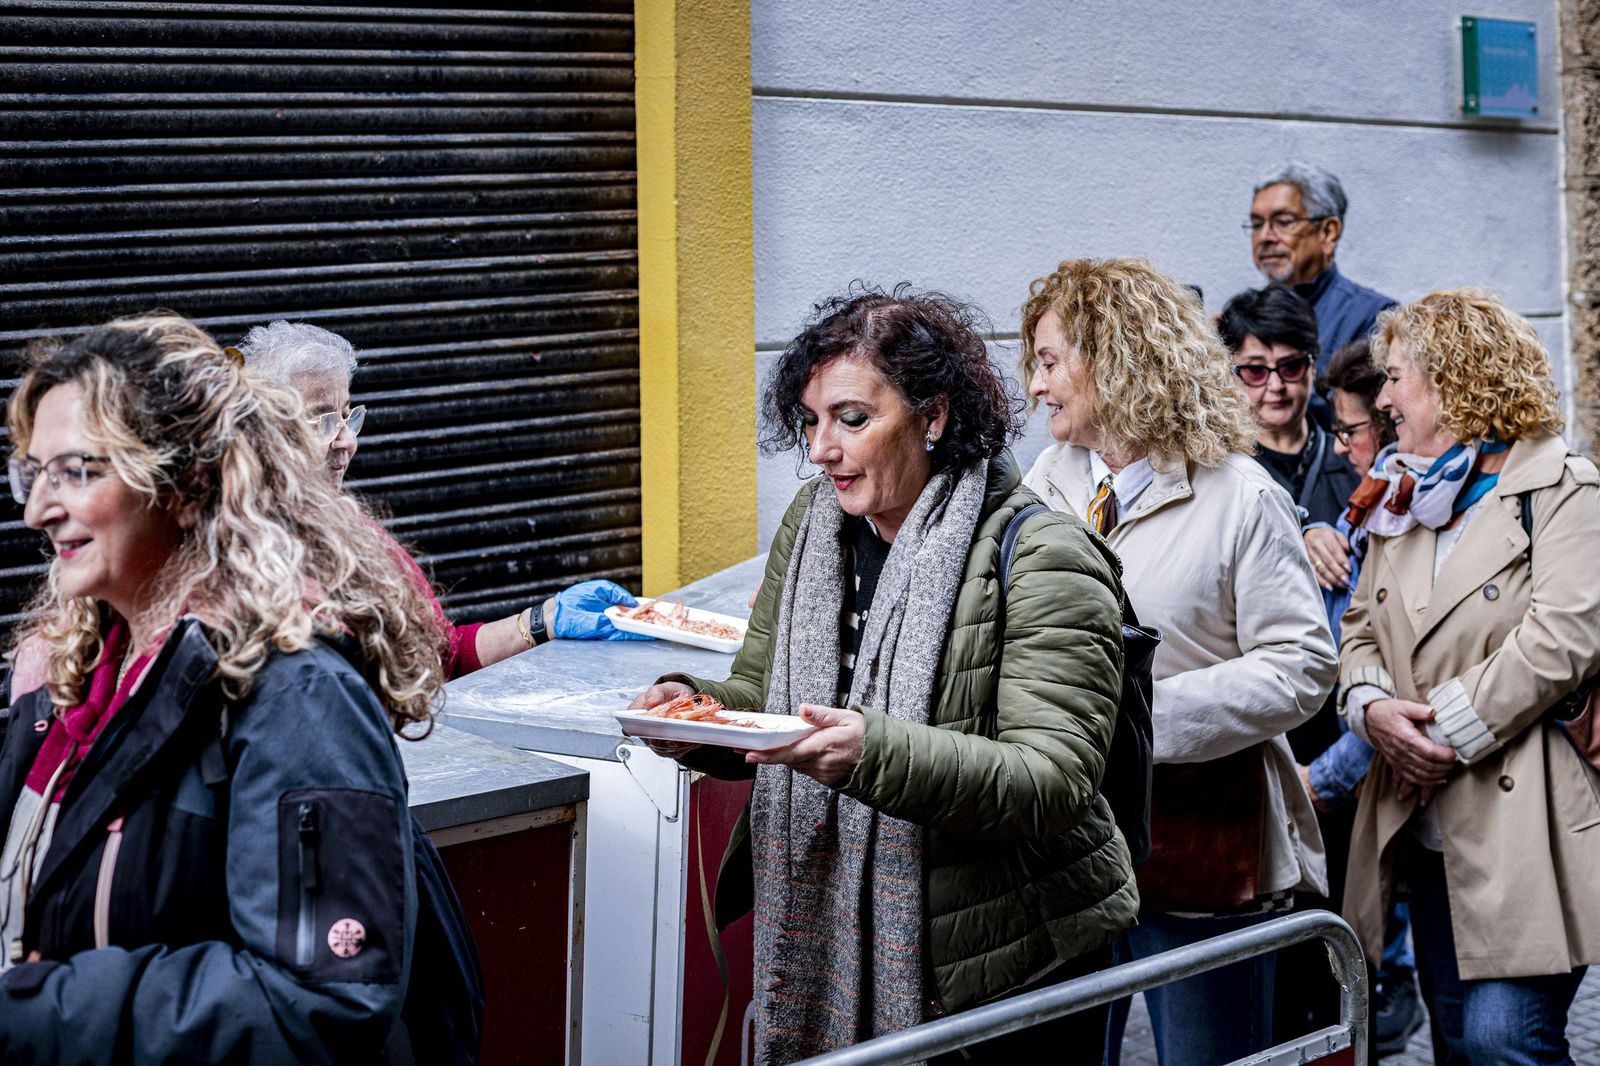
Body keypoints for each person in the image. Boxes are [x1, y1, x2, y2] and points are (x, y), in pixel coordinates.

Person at [630, 287, 1137, 1064]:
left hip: (1012, 970)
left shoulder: (1045, 555)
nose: (820, 450)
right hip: (841, 933)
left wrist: (870, 753)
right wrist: (695, 714)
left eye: (852, 419)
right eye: (811, 421)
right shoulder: (813, 526)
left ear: (933, 417)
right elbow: (766, 696)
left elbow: (1055, 779)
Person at [0, 314, 442, 1060]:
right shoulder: (70, 676)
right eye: (33, 473)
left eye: (75, 471)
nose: (37, 509)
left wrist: (44, 1010)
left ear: (185, 483)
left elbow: (323, 1003)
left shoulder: (299, 699)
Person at [1018, 257, 1336, 1066]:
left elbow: (1303, 664)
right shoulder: (1044, 484)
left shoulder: (1241, 495)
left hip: (1200, 841)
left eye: (1050, 361)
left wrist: (1135, 721)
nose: (1035, 385)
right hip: (1065, 845)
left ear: (1116, 359)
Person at [1339, 289, 1600, 1065]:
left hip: (1525, 820)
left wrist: (1436, 735)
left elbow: (1563, 638)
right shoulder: (1404, 494)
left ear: (1454, 380)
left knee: (1503, 1039)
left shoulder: (1563, 489)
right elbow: (1359, 629)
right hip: (1422, 824)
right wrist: (1372, 710)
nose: (1383, 400)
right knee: (1457, 1039)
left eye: (1395, 378)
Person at [235, 319, 642, 678]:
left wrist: (545, 619)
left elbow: (441, 656)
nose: (347, 441)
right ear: (264, 430)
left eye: (347, 416)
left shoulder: (359, 536)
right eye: (321, 420)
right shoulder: (235, 558)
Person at [1280, 338, 1425, 1052]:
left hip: (1378, 781)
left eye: (1351, 430)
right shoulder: (1364, 508)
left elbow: (1408, 679)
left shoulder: (1413, 510)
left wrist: (1322, 778)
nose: (1341, 448)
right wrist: (1310, 528)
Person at [1220, 285, 1359, 528]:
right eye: (1256, 371)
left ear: (1313, 367)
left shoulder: (1354, 459)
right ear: (1231, 374)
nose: (1276, 385)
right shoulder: (1220, 469)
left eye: (1291, 367)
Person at [1247, 162, 1397, 367]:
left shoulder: (1374, 318)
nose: (1265, 237)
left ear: (1328, 232)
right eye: (1256, 225)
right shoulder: (1243, 316)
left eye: (1283, 222)